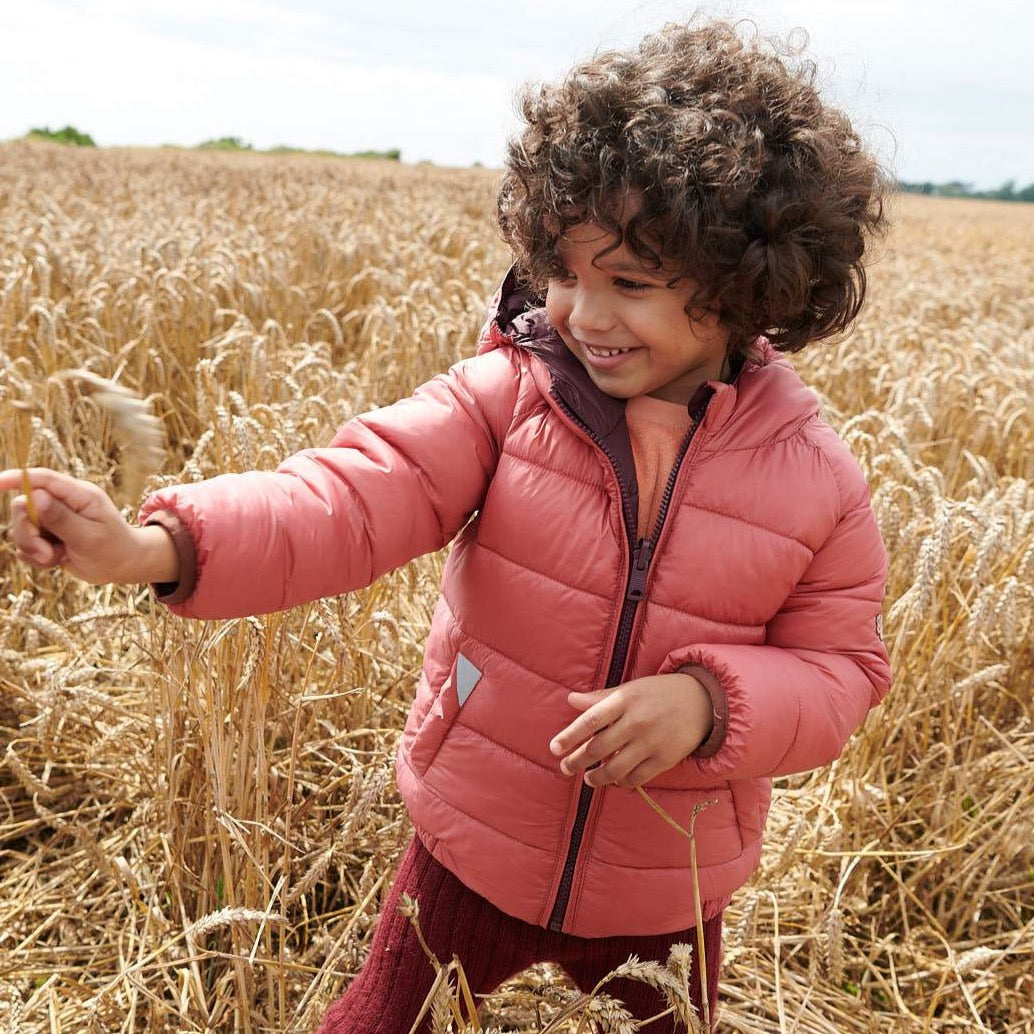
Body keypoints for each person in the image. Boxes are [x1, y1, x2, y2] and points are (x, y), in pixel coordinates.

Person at [1, 19, 891, 1033]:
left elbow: (841, 672)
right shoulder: (501, 402)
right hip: (472, 841)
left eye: (628, 283)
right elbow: (340, 499)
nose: (579, 312)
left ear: (745, 286)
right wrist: (150, 547)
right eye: (562, 269)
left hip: (667, 875)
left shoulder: (813, 478)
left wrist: (706, 704)